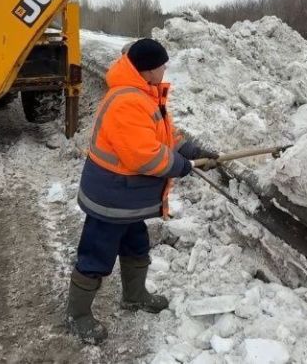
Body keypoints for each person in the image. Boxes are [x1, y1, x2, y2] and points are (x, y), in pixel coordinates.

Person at [65, 38, 220, 345]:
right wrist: (182, 166)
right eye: (162, 65)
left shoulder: (145, 94)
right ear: (148, 70)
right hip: (110, 199)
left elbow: (163, 135)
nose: (165, 70)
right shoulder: (127, 101)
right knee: (96, 255)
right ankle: (78, 314)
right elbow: (144, 155)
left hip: (127, 199)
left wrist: (190, 149)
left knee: (137, 246)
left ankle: (134, 296)